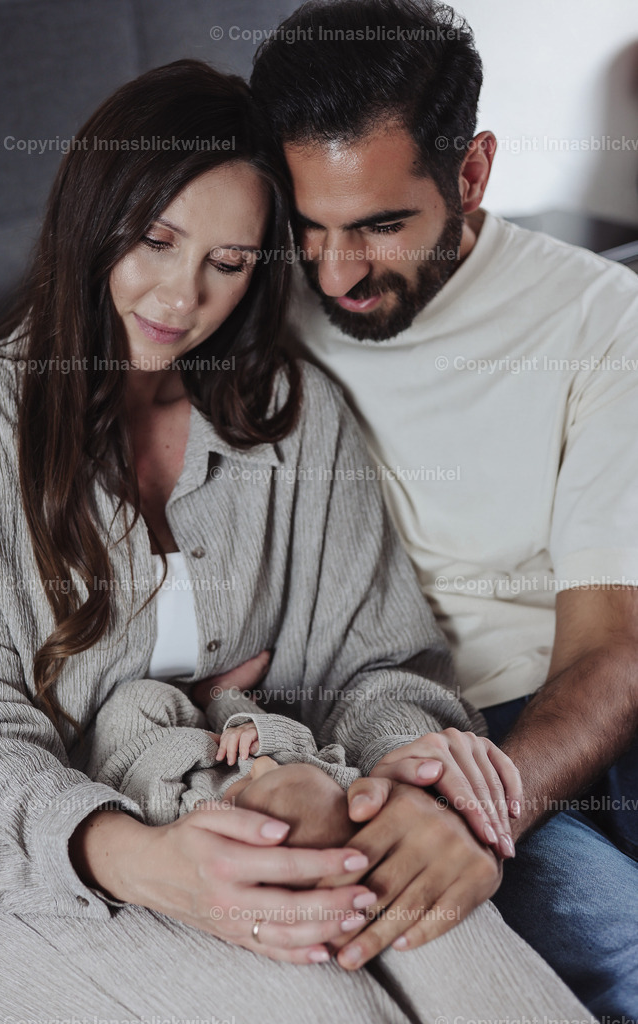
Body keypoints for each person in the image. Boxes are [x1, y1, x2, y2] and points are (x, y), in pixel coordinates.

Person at [0, 57, 593, 1023]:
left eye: (226, 262)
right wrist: (138, 856)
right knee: (323, 1007)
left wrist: (413, 774)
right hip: (27, 866)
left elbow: (376, 666)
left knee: (474, 964)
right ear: (91, 219)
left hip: (273, 809)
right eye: (155, 241)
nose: (179, 298)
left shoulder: (292, 418)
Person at [248, 0, 638, 1017]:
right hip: (403, 720)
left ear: (469, 175)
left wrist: (476, 807)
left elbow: (609, 644)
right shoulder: (235, 295)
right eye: (309, 228)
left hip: (563, 704)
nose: (334, 273)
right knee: (617, 955)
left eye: (379, 226)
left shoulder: (599, 318)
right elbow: (47, 354)